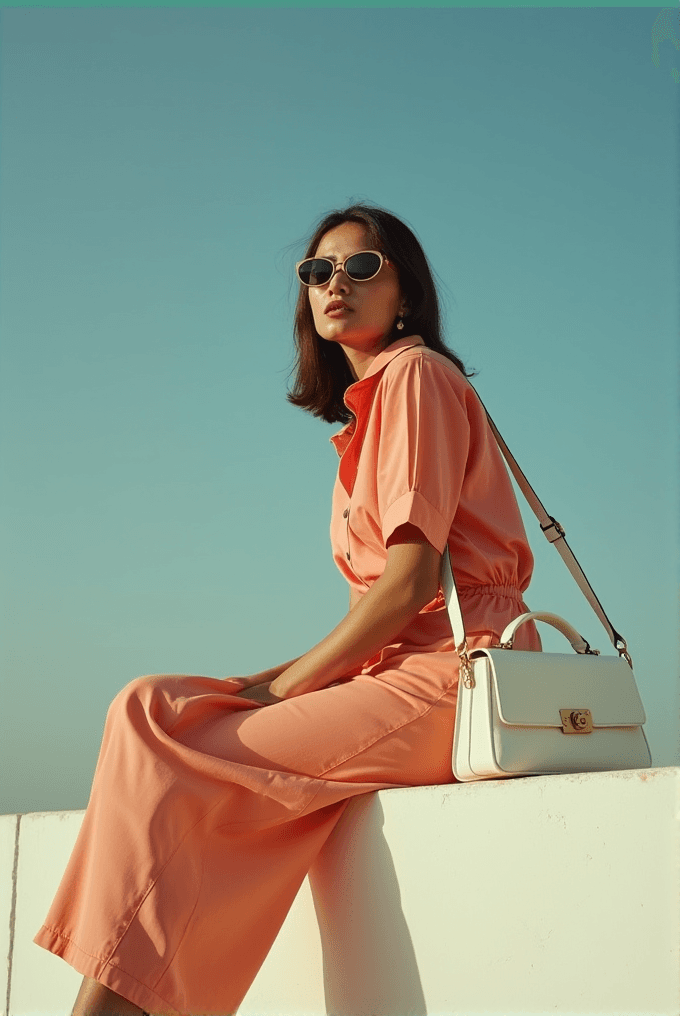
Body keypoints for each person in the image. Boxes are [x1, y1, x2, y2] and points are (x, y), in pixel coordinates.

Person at [33, 203, 540, 1016]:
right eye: (318, 272)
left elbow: (409, 585)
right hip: (392, 673)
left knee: (184, 755)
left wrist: (285, 686)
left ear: (405, 294)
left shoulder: (414, 375)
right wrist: (273, 680)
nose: (335, 282)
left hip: (457, 675)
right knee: (148, 706)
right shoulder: (369, 408)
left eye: (361, 267)